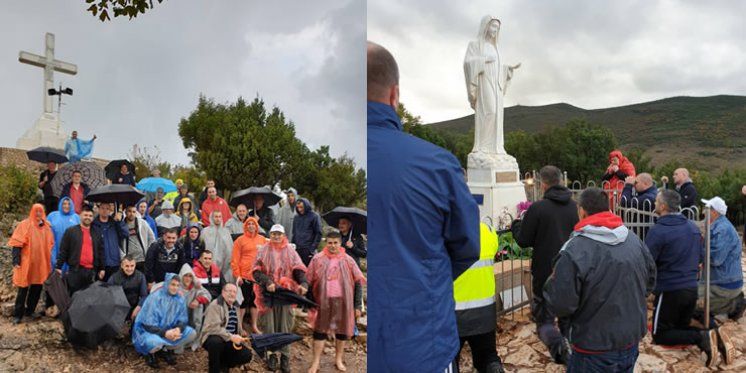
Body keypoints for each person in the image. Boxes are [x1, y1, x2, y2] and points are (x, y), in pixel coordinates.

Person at [367, 41, 480, 373]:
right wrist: (423, 278)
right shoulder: (437, 165)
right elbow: (466, 246)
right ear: (394, 95)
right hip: (421, 346)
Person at [544, 187, 656, 372]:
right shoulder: (633, 240)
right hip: (630, 339)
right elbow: (649, 282)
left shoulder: (574, 250)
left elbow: (561, 303)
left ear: (581, 211)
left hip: (592, 346)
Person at [645, 190, 722, 367]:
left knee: (660, 334)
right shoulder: (692, 228)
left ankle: (701, 336)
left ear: (663, 206)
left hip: (670, 290)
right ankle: (710, 333)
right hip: (691, 288)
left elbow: (647, 262)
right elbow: (701, 257)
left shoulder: (658, 231)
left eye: (657, 201)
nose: (655, 204)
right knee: (678, 328)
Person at [510, 165, 577, 365]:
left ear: (543, 183)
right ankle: (569, 343)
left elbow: (523, 240)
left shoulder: (538, 208)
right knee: (566, 314)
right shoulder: (574, 206)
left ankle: (560, 351)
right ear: (561, 181)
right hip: (570, 267)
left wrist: (516, 226)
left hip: (545, 270)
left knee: (544, 319)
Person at [307, 230, 366, 373]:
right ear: (326, 243)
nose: (332, 246)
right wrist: (309, 303)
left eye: (335, 243)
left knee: (342, 332)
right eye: (330, 243)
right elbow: (309, 280)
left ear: (340, 244)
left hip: (343, 302)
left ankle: (338, 359)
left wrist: (357, 305)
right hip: (322, 302)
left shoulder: (348, 260)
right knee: (319, 332)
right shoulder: (318, 259)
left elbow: (358, 282)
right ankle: (315, 362)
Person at [253, 224, 308, 372]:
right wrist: (267, 281)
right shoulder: (264, 250)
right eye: (273, 234)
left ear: (283, 235)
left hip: (285, 293)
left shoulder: (290, 251)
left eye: (279, 234)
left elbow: (298, 268)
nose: (276, 237)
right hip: (268, 293)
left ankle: (285, 356)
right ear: (270, 235)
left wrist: (303, 282)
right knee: (269, 325)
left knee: (284, 325)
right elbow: (256, 271)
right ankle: (271, 354)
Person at [453, 223, 504, 373]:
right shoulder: (487, 230)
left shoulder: (445, 233)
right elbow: (494, 249)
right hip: (485, 311)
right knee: (487, 357)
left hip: (454, 314)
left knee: (449, 361)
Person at [132, 273, 196, 368]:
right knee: (153, 342)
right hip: (149, 332)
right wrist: (165, 333)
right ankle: (150, 353)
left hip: (169, 331)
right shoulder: (155, 297)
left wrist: (178, 329)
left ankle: (166, 349)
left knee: (191, 333)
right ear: (166, 284)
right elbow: (148, 325)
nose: (175, 288)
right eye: (172, 284)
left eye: (178, 285)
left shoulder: (180, 299)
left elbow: (182, 319)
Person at [700, 197, 746, 321]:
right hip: (723, 280)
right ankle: (727, 305)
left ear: (714, 212)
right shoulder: (718, 226)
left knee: (689, 299)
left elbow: (715, 259)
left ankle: (733, 306)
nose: (704, 212)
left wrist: (697, 252)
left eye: (707, 209)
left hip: (723, 284)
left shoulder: (722, 229)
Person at [9, 204, 54, 324]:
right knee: (23, 288)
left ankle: (30, 310)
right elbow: (16, 244)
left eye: (41, 211)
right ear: (32, 211)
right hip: (26, 263)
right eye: (36, 211)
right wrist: (16, 260)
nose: (38, 214)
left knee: (37, 288)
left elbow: (51, 245)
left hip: (41, 264)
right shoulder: (24, 224)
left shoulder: (47, 227)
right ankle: (18, 314)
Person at [201, 283, 253, 373]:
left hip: (229, 340)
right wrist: (231, 337)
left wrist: (240, 334)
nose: (232, 294)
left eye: (234, 292)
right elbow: (213, 328)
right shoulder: (216, 305)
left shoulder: (236, 306)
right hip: (214, 337)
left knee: (247, 355)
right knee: (216, 342)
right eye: (229, 291)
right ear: (223, 292)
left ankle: (224, 364)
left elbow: (236, 325)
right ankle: (214, 369)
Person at [56, 205, 105, 296]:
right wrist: (58, 267)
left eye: (90, 216)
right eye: (85, 215)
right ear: (80, 216)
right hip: (75, 270)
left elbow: (101, 251)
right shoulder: (71, 231)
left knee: (89, 297)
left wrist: (102, 268)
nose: (88, 218)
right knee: (74, 296)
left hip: (91, 271)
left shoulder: (97, 232)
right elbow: (63, 250)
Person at [231, 216, 267, 334]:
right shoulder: (240, 240)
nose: (251, 226)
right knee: (243, 301)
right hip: (244, 276)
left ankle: (254, 325)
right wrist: (238, 275)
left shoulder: (262, 239)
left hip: (257, 276)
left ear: (257, 226)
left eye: (253, 224)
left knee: (255, 301)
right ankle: (240, 326)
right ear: (245, 226)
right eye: (249, 224)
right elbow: (234, 259)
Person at [177, 263, 212, 350]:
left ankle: (193, 341)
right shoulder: (176, 286)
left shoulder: (196, 287)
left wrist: (198, 300)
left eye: (190, 276)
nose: (188, 278)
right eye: (185, 276)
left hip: (192, 315)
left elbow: (208, 295)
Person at [92, 202, 128, 281]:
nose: (105, 210)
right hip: (101, 265)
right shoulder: (93, 225)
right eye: (102, 208)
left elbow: (125, 234)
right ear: (99, 209)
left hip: (115, 263)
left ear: (110, 210)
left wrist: (120, 222)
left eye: (107, 208)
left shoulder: (115, 223)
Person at [107, 254, 148, 321]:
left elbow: (144, 296)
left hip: (135, 307)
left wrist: (138, 307)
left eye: (132, 266)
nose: (129, 269)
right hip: (118, 308)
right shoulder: (113, 278)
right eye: (127, 266)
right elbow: (108, 296)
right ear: (122, 266)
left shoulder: (141, 276)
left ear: (135, 265)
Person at [121, 205, 156, 273]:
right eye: (129, 211)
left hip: (142, 258)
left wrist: (148, 251)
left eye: (134, 212)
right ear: (125, 212)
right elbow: (117, 243)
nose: (132, 214)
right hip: (129, 260)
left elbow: (152, 237)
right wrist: (123, 256)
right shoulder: (121, 225)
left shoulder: (142, 223)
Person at [202, 210, 235, 282]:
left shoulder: (226, 232)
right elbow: (202, 248)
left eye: (220, 217)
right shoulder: (205, 232)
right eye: (216, 216)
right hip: (207, 265)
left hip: (224, 267)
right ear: (212, 218)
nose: (218, 219)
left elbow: (230, 250)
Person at [291, 198, 322, 266]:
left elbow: (318, 233)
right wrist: (292, 246)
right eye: (298, 206)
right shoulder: (296, 217)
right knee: (297, 269)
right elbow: (294, 232)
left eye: (301, 206)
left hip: (307, 249)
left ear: (306, 205)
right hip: (297, 248)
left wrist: (312, 249)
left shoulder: (314, 216)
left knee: (308, 270)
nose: (299, 208)